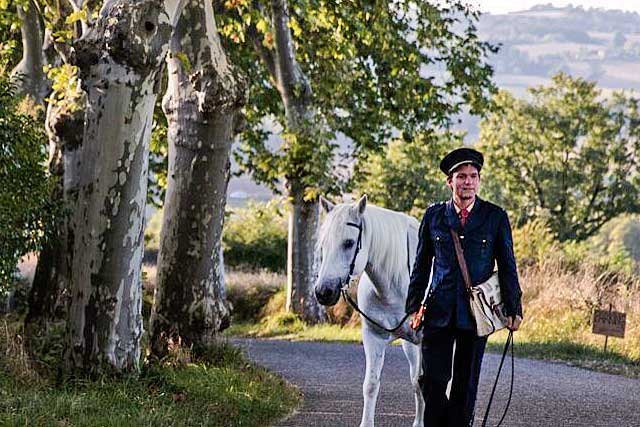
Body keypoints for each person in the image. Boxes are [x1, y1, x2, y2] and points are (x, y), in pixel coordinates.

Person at [405, 147, 523, 427]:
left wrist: (514, 308)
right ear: (450, 181)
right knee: (431, 381)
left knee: (465, 385)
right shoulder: (434, 216)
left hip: (476, 315)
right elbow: (421, 266)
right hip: (438, 310)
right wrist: (413, 307)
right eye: (461, 176)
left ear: (479, 181)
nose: (467, 182)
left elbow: (508, 265)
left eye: (473, 176)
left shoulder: (495, 217)